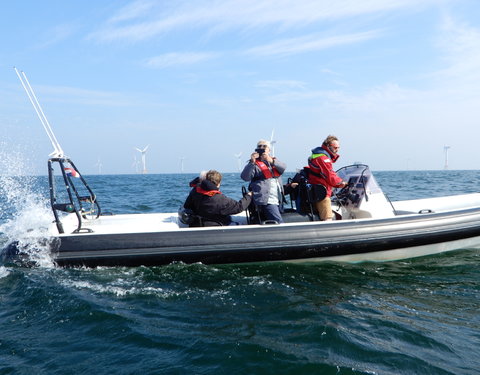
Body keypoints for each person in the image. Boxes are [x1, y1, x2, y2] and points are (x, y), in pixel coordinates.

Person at [183, 170, 252, 227]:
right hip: (215, 226)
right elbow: (239, 207)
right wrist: (248, 196)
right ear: (218, 183)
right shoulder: (220, 199)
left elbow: (186, 206)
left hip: (196, 225)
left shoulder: (195, 191)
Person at [241, 139, 286, 223]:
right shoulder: (254, 164)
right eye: (259, 146)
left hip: (277, 199)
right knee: (279, 222)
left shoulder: (273, 161)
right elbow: (245, 177)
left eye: (264, 146)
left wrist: (271, 160)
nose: (262, 148)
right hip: (266, 200)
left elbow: (283, 167)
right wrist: (252, 162)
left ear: (269, 150)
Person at [307, 135, 348, 221]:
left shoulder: (318, 155)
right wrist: (342, 183)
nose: (337, 150)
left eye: (338, 148)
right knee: (327, 218)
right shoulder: (323, 158)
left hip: (316, 191)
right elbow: (329, 176)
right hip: (322, 194)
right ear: (328, 147)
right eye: (335, 147)